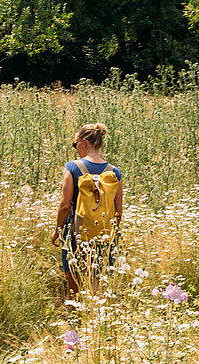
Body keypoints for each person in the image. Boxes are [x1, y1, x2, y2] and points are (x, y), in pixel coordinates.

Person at [50, 122, 123, 295]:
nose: (75, 149)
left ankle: (74, 317)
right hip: (104, 233)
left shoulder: (72, 167)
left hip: (76, 231)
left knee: (74, 280)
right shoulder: (115, 173)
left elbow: (65, 206)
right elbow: (118, 212)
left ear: (83, 142)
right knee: (98, 283)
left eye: (75, 145)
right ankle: (96, 317)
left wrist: (57, 231)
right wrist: (112, 236)